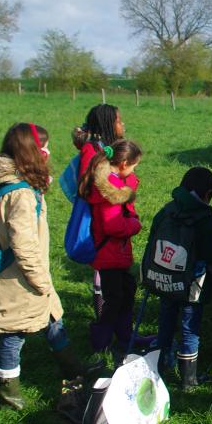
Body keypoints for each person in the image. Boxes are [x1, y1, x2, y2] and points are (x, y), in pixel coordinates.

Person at [0, 123, 98, 410]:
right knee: (13, 336)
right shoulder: (20, 194)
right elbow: (23, 245)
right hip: (20, 279)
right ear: (31, 151)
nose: (48, 151)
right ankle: (9, 396)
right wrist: (40, 281)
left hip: (30, 275)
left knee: (54, 321)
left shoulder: (19, 186)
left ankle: (72, 370)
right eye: (44, 146)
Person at [151, 167, 212, 390]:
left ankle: (159, 365)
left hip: (165, 278)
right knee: (190, 327)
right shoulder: (204, 217)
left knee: (166, 321)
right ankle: (188, 380)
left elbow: (153, 238)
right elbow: (209, 254)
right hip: (192, 283)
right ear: (208, 193)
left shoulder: (167, 209)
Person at [78, 139, 143, 364]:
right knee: (114, 299)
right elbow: (112, 225)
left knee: (126, 292)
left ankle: (125, 336)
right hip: (109, 253)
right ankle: (101, 342)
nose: (135, 170)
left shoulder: (112, 182)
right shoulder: (110, 190)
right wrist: (134, 224)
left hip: (114, 253)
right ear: (124, 163)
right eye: (134, 165)